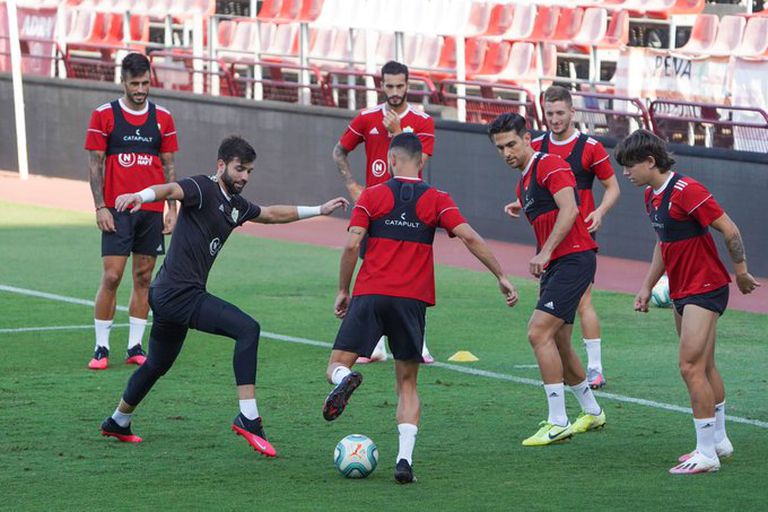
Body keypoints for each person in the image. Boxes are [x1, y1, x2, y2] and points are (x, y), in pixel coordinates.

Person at [99, 136, 349, 458]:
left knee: (158, 363)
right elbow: (170, 190)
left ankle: (118, 419)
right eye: (239, 168)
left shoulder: (237, 205)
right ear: (221, 166)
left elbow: (271, 214)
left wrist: (319, 209)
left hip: (167, 293)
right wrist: (140, 196)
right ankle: (248, 417)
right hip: (179, 294)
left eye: (249, 171)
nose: (244, 176)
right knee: (247, 329)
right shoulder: (203, 188)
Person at [322, 133, 518, 483]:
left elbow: (352, 245)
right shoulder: (437, 199)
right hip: (411, 301)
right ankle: (404, 461)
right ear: (422, 162)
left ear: (392, 161)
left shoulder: (373, 194)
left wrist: (342, 289)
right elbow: (470, 236)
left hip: (370, 294)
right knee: (407, 384)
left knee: (336, 364)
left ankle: (345, 378)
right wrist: (500, 275)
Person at [616, 129, 760, 474]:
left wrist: (740, 272)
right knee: (705, 365)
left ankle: (705, 454)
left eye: (630, 166)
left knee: (689, 366)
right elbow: (662, 243)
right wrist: (646, 286)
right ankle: (719, 441)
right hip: (683, 289)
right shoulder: (651, 196)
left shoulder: (687, 191)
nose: (625, 173)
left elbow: (730, 229)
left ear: (650, 162)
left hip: (705, 287)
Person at [488, 113, 606, 446]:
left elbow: (570, 210)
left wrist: (544, 252)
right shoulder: (524, 179)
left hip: (573, 259)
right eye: (500, 148)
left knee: (538, 332)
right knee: (558, 341)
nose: (507, 152)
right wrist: (523, 206)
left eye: (512, 143)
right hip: (558, 263)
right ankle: (593, 411)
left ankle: (558, 421)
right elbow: (549, 207)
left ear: (528, 139)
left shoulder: (550, 164)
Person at [333, 60, 436, 364]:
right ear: (381, 85)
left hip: (410, 203)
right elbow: (339, 150)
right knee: (373, 269)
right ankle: (375, 346)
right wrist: (352, 185)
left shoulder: (422, 121)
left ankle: (419, 344)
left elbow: (420, 161)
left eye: (399, 86)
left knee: (411, 271)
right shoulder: (366, 117)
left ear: (408, 85)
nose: (394, 92)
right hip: (375, 204)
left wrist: (398, 132)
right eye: (389, 86)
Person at [85, 52, 179, 370]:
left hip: (151, 210)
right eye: (135, 83)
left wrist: (172, 209)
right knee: (112, 276)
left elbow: (169, 166)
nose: (141, 89)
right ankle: (100, 348)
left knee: (143, 277)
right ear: (122, 81)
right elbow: (95, 165)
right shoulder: (104, 115)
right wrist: (100, 206)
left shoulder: (163, 118)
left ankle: (134, 346)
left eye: (145, 83)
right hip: (117, 209)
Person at [532, 85, 621, 389]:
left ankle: (595, 368)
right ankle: (562, 364)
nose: (554, 119)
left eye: (560, 113)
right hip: (550, 239)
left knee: (583, 301)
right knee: (549, 305)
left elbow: (613, 188)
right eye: (549, 113)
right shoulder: (537, 145)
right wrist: (521, 202)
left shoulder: (590, 147)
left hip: (580, 236)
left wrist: (600, 212)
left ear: (572, 112)